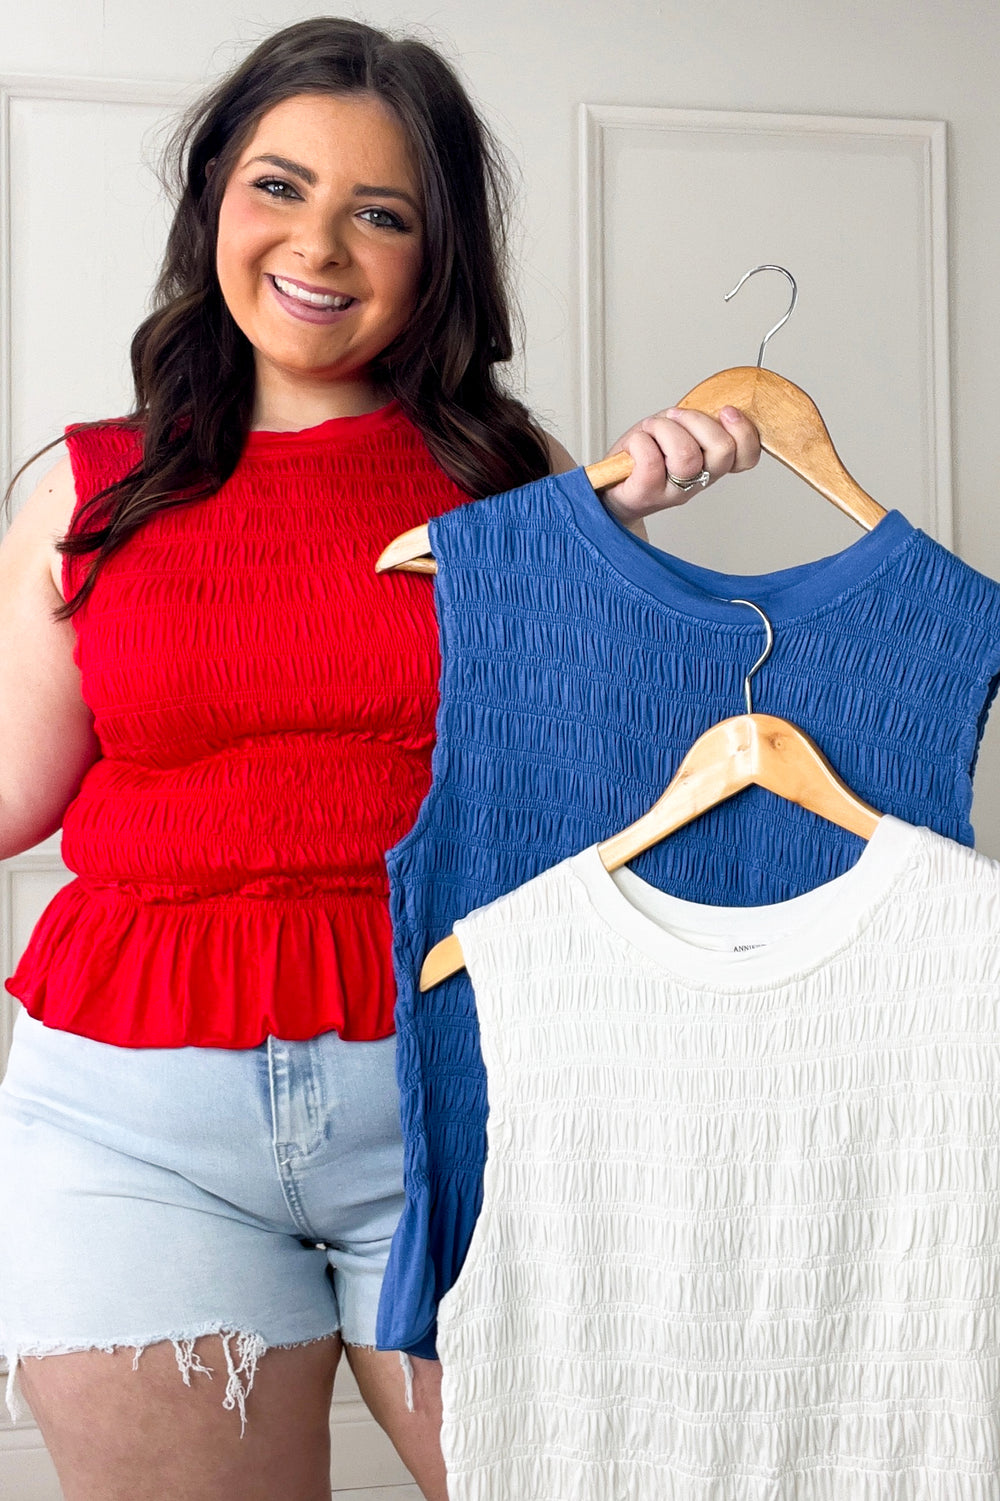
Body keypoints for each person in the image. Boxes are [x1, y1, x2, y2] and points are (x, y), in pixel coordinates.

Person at [0, 17, 760, 1501]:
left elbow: (615, 805)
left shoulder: (521, 482)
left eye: (382, 213)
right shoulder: (88, 489)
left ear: (438, 253)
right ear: (215, 196)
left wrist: (613, 562)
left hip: (470, 1103)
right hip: (129, 1137)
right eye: (279, 187)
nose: (318, 246)